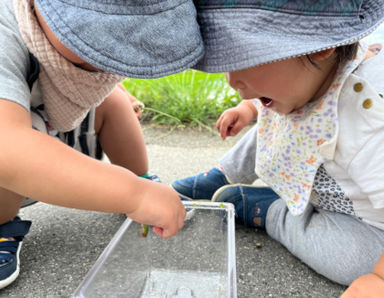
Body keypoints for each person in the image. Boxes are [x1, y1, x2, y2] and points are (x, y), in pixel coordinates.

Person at [173, 0, 384, 295]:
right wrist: (249, 107)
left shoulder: (370, 117)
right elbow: (270, 105)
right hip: (320, 177)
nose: (232, 80)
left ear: (318, 45)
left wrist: (379, 279)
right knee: (277, 117)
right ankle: (224, 174)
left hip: (364, 219)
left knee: (355, 261)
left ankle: (275, 212)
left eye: (243, 56)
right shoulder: (304, 79)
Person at [0, 0, 205, 289]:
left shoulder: (70, 54)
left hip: (52, 130)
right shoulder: (5, 30)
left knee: (112, 101)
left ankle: (140, 175)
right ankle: (2, 225)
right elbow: (9, 148)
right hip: (10, 155)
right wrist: (133, 195)